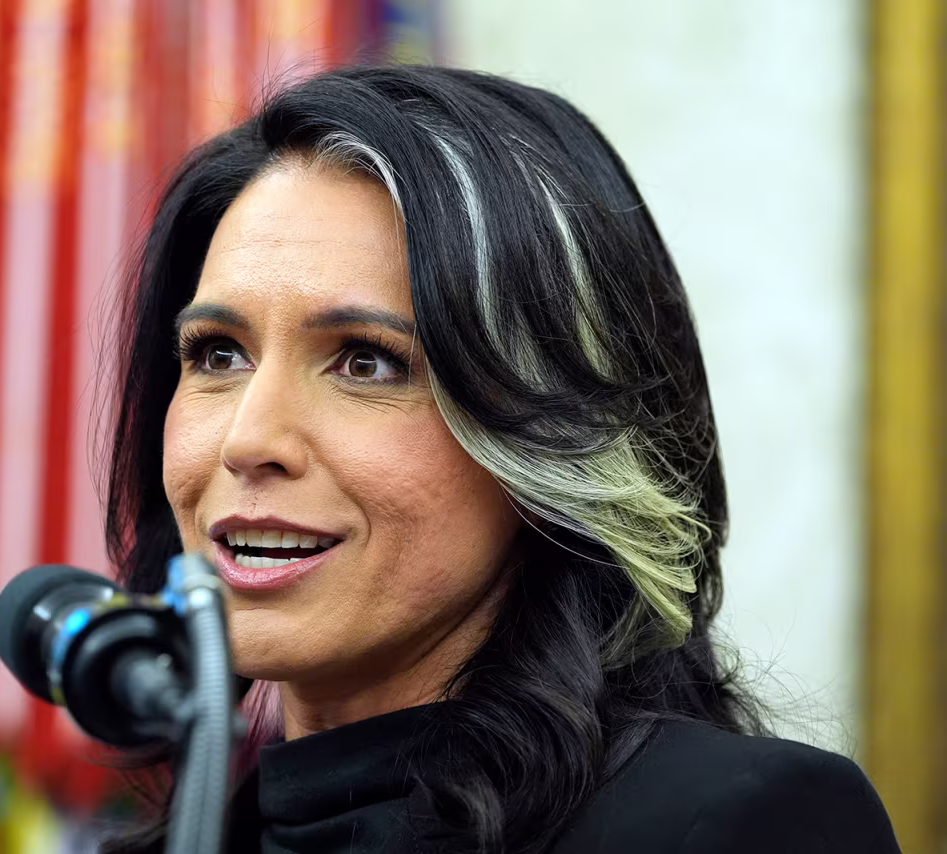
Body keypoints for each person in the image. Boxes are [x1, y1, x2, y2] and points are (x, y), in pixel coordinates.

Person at [102, 65, 899, 853]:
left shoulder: (740, 824)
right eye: (217, 354)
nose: (248, 442)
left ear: (557, 436)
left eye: (367, 362)